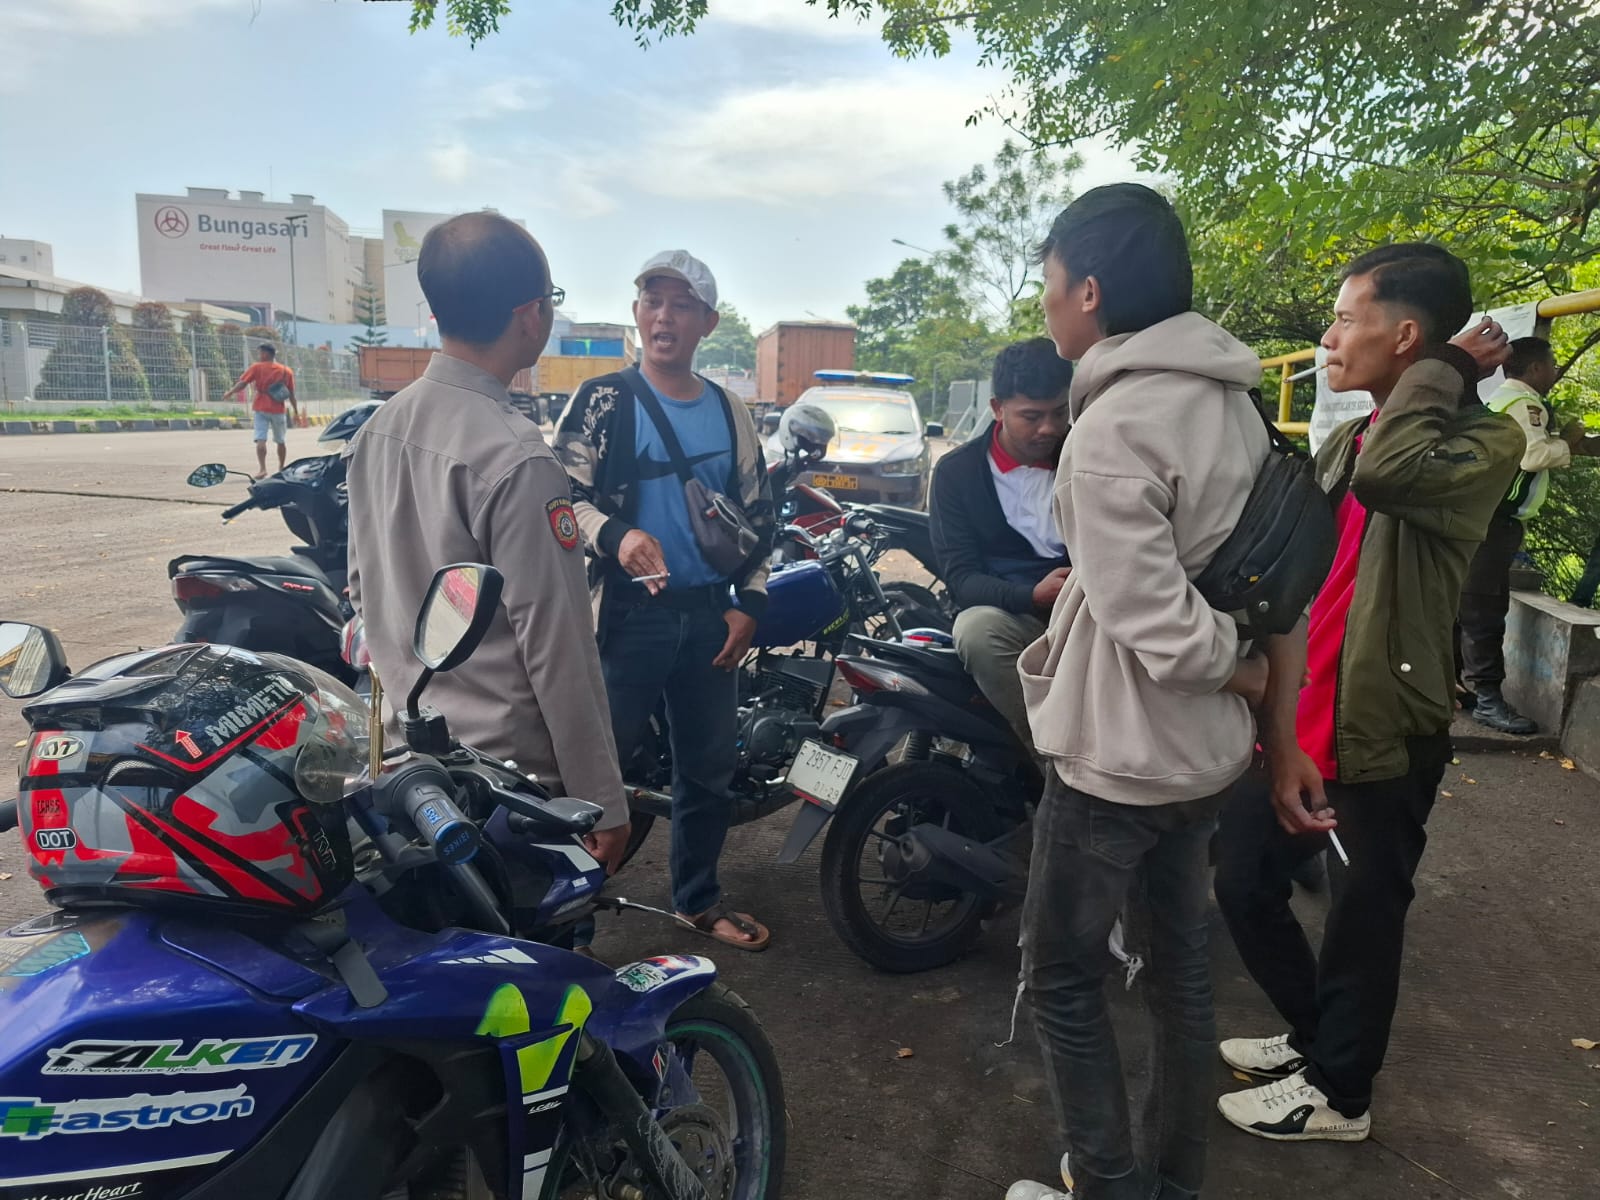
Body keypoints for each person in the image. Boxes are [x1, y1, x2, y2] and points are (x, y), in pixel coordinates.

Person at [1213, 243, 1522, 1145]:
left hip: (1382, 720)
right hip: (1302, 707)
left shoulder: (1485, 441)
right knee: (1243, 880)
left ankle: (1341, 1095)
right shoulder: (1355, 437)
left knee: (1362, 914)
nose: (1328, 337)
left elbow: (1394, 475)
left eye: (1348, 319)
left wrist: (1449, 368)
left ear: (1409, 337)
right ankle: (1320, 1040)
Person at [1006, 184, 1273, 1200]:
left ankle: (1109, 1182)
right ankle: (1171, 1181)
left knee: (1064, 980)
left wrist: (1236, 669)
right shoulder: (1236, 405)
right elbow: (1258, 576)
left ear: (1089, 291)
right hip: (1203, 759)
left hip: (1118, 761)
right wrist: (1249, 683)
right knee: (1180, 978)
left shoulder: (1115, 427)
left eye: (1049, 283)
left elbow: (1157, 622)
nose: (1045, 304)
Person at [344, 212, 631, 876]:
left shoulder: (377, 431)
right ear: (530, 315)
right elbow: (557, 645)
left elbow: (362, 590)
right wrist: (601, 800)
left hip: (405, 768)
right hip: (503, 787)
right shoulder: (516, 457)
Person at [555, 250, 776, 951]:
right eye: (653, 301)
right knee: (594, 778)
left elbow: (759, 514)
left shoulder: (729, 411)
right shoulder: (601, 401)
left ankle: (697, 902)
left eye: (682, 305)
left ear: (708, 321)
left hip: (710, 616)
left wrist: (749, 604)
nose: (664, 316)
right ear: (636, 312)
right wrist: (615, 535)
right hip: (624, 621)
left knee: (708, 772)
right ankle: (565, 923)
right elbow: (557, 501)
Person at [930, 337, 1073, 749]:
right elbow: (962, 578)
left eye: (1059, 412)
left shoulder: (1088, 454)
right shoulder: (957, 474)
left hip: (1088, 611)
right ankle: (1054, 757)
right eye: (1031, 416)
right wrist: (1032, 596)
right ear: (997, 408)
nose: (1048, 428)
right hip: (1013, 615)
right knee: (975, 631)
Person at [1459, 336, 1599, 733]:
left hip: (1483, 515)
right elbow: (1533, 455)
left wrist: (1576, 445)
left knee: (1470, 603)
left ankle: (1460, 687)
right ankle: (1487, 699)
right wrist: (1566, 442)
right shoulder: (1525, 404)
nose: (1554, 371)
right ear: (1536, 368)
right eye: (1551, 364)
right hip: (1495, 520)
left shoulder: (1503, 398)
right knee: (1485, 608)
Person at [222, 342, 300, 478]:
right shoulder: (286, 371)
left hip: (260, 408)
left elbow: (243, 383)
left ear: (265, 354)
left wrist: (230, 392)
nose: (259, 355)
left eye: (260, 352)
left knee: (260, 439)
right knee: (280, 440)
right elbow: (291, 394)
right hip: (278, 409)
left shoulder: (257, 367)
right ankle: (281, 467)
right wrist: (296, 412)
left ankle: (262, 469)